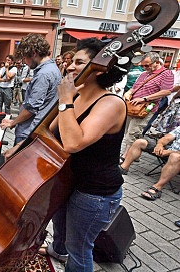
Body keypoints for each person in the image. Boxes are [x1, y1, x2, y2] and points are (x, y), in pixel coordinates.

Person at [43, 37, 130, 271]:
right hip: (68, 179)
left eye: (79, 63)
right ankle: (56, 250)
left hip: (94, 193)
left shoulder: (111, 103)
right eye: (71, 61)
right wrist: (20, 150)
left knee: (79, 248)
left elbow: (73, 142)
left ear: (101, 68)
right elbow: (48, 132)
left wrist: (64, 100)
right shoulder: (78, 96)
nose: (70, 66)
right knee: (60, 225)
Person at [0, 33, 61, 159]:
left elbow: (31, 108)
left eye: (25, 58)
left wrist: (13, 123)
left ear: (33, 53)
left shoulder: (43, 74)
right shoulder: (52, 69)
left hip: (28, 131)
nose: (25, 62)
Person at [121, 52, 174, 161]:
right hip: (132, 106)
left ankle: (126, 157)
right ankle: (136, 151)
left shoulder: (166, 73)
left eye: (147, 65)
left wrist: (145, 98)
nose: (144, 68)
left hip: (146, 108)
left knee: (133, 132)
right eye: (142, 65)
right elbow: (134, 87)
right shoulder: (143, 74)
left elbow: (167, 91)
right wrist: (129, 92)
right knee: (129, 131)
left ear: (157, 62)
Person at [119, 126, 180, 201]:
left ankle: (158, 187)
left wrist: (169, 152)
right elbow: (167, 138)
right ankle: (123, 168)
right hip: (169, 150)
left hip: (175, 155)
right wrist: (159, 145)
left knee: (175, 156)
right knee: (140, 142)